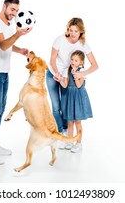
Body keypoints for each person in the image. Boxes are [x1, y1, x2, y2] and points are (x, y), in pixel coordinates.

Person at [0, 0, 31, 164]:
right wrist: (18, 34)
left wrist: (21, 50)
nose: (14, 13)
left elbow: (9, 45)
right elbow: (2, 45)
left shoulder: (9, 24)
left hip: (3, 72)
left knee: (1, 108)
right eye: (12, 9)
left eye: (17, 11)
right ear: (4, 7)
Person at [46, 17, 98, 149]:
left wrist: (81, 73)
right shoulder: (59, 40)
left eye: (76, 31)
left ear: (81, 31)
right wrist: (57, 73)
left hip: (69, 77)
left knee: (66, 108)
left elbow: (95, 65)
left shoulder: (83, 44)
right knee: (56, 107)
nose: (73, 33)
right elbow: (52, 59)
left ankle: (70, 137)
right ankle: (62, 132)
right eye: (71, 30)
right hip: (54, 73)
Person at [55, 50, 93, 153]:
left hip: (78, 97)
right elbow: (65, 85)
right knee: (70, 122)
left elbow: (79, 85)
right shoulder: (68, 70)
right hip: (70, 97)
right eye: (72, 59)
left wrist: (76, 74)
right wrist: (60, 80)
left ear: (81, 62)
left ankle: (78, 143)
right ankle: (70, 141)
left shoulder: (81, 71)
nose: (73, 62)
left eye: (76, 60)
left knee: (78, 122)